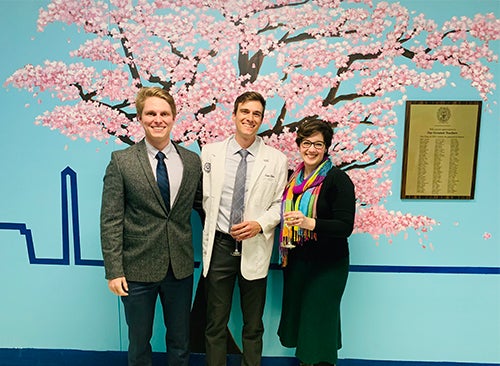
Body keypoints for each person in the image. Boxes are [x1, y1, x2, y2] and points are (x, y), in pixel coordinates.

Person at [100, 87, 203, 366]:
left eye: (164, 113)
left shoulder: (192, 161)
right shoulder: (121, 161)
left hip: (179, 268)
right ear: (141, 118)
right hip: (135, 269)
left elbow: (202, 206)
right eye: (151, 113)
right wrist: (114, 270)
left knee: (181, 342)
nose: (158, 119)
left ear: (174, 117)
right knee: (139, 342)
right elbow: (111, 218)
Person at [201, 91, 288, 366]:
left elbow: (279, 205)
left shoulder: (276, 159)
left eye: (256, 114)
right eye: (245, 112)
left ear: (262, 119)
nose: (250, 118)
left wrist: (259, 224)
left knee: (253, 324)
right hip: (220, 246)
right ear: (235, 114)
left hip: (255, 245)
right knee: (215, 322)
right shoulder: (211, 152)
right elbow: (203, 198)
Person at [277, 120, 356, 366]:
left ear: (326, 148)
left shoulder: (337, 180)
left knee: (318, 322)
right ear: (299, 144)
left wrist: (310, 223)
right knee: (303, 325)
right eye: (307, 143)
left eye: (318, 144)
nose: (311, 149)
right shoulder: (293, 180)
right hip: (298, 262)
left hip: (328, 265)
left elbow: (345, 227)